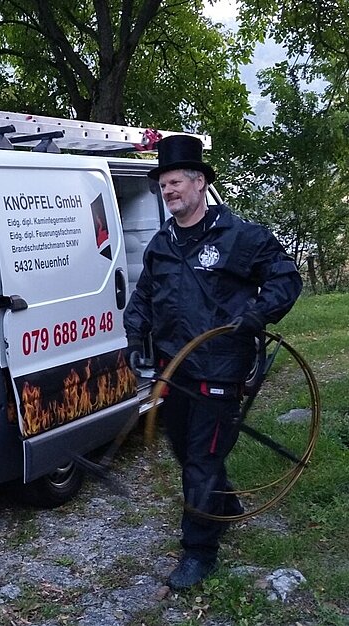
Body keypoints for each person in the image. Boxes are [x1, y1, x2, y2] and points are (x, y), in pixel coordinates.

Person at [123, 135, 302, 590]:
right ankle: (223, 506)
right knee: (185, 451)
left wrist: (257, 314)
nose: (168, 191)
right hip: (175, 368)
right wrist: (135, 337)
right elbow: (145, 297)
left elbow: (285, 277)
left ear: (200, 183)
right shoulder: (162, 243)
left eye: (176, 182)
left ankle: (199, 552)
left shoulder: (240, 237)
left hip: (221, 367)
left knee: (201, 459)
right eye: (163, 185)